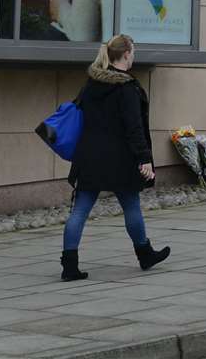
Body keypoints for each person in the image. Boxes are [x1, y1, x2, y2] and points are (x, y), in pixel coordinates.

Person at [60, 34, 170, 281]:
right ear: (127, 54)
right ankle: (144, 254)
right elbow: (134, 129)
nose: (134, 56)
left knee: (79, 211)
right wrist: (144, 159)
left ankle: (69, 265)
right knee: (131, 205)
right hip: (120, 160)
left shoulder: (91, 84)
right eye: (134, 52)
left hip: (89, 157)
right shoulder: (127, 88)